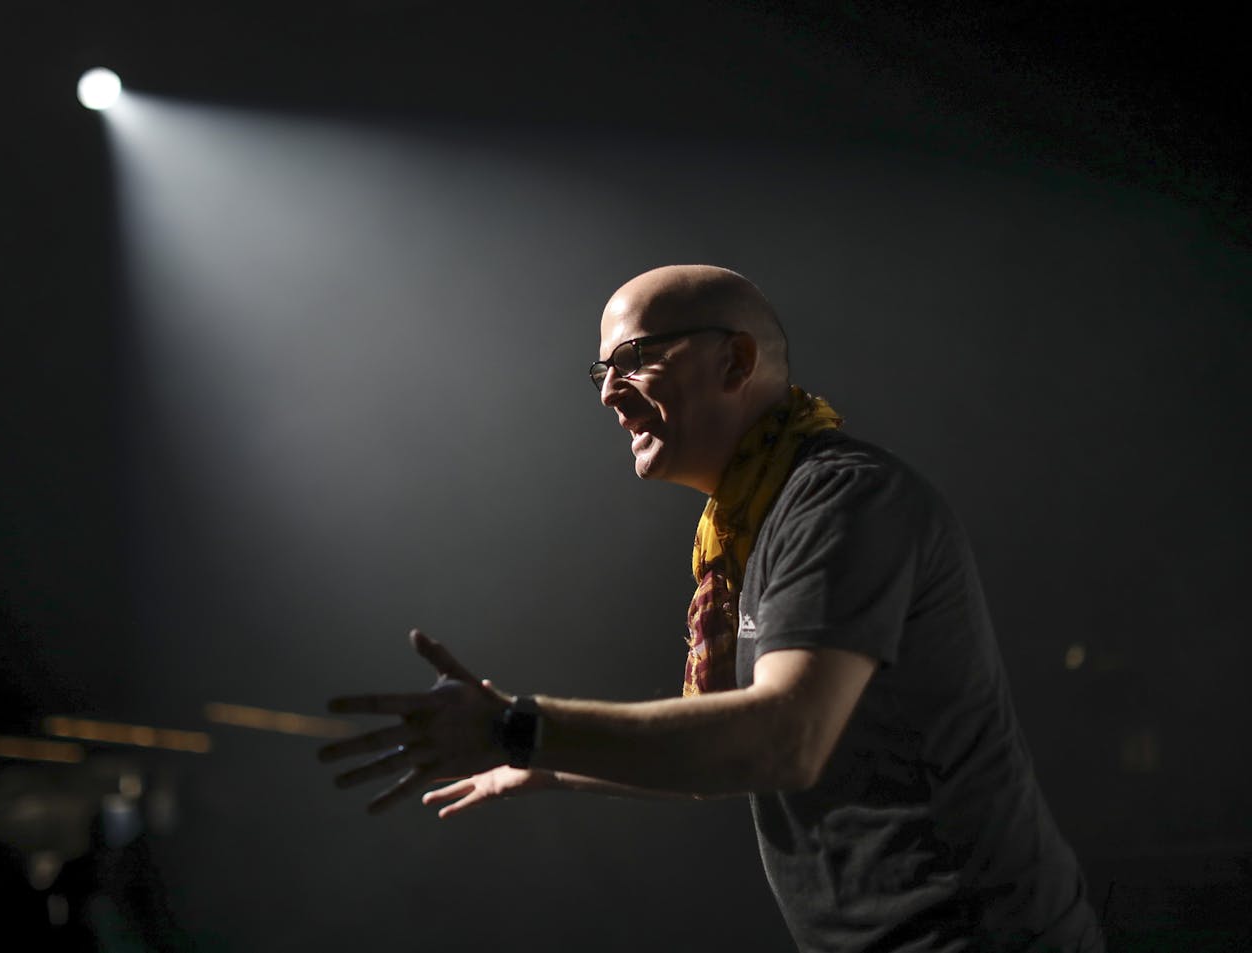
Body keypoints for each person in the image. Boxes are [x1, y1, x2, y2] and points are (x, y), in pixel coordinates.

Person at [319, 265, 1105, 952]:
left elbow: (782, 739)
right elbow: (726, 752)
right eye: (598, 373)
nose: (608, 394)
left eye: (630, 359)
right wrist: (539, 759)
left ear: (734, 359)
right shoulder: (747, 531)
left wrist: (515, 725)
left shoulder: (841, 498)